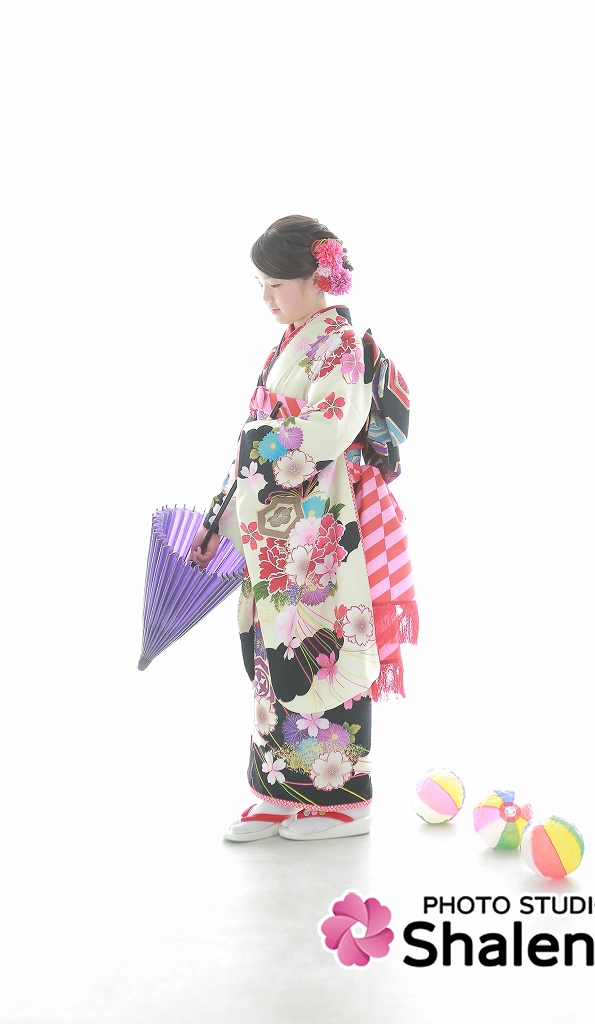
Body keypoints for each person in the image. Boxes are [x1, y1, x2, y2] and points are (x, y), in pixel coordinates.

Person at [189, 215, 418, 841]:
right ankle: (280, 790)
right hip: (277, 529)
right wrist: (217, 518)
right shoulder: (292, 341)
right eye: (260, 285)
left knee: (324, 652)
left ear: (317, 277)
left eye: (276, 284)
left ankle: (344, 799)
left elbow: (328, 430)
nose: (267, 298)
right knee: (274, 654)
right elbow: (254, 441)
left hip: (320, 532)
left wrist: (257, 438)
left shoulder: (340, 343)